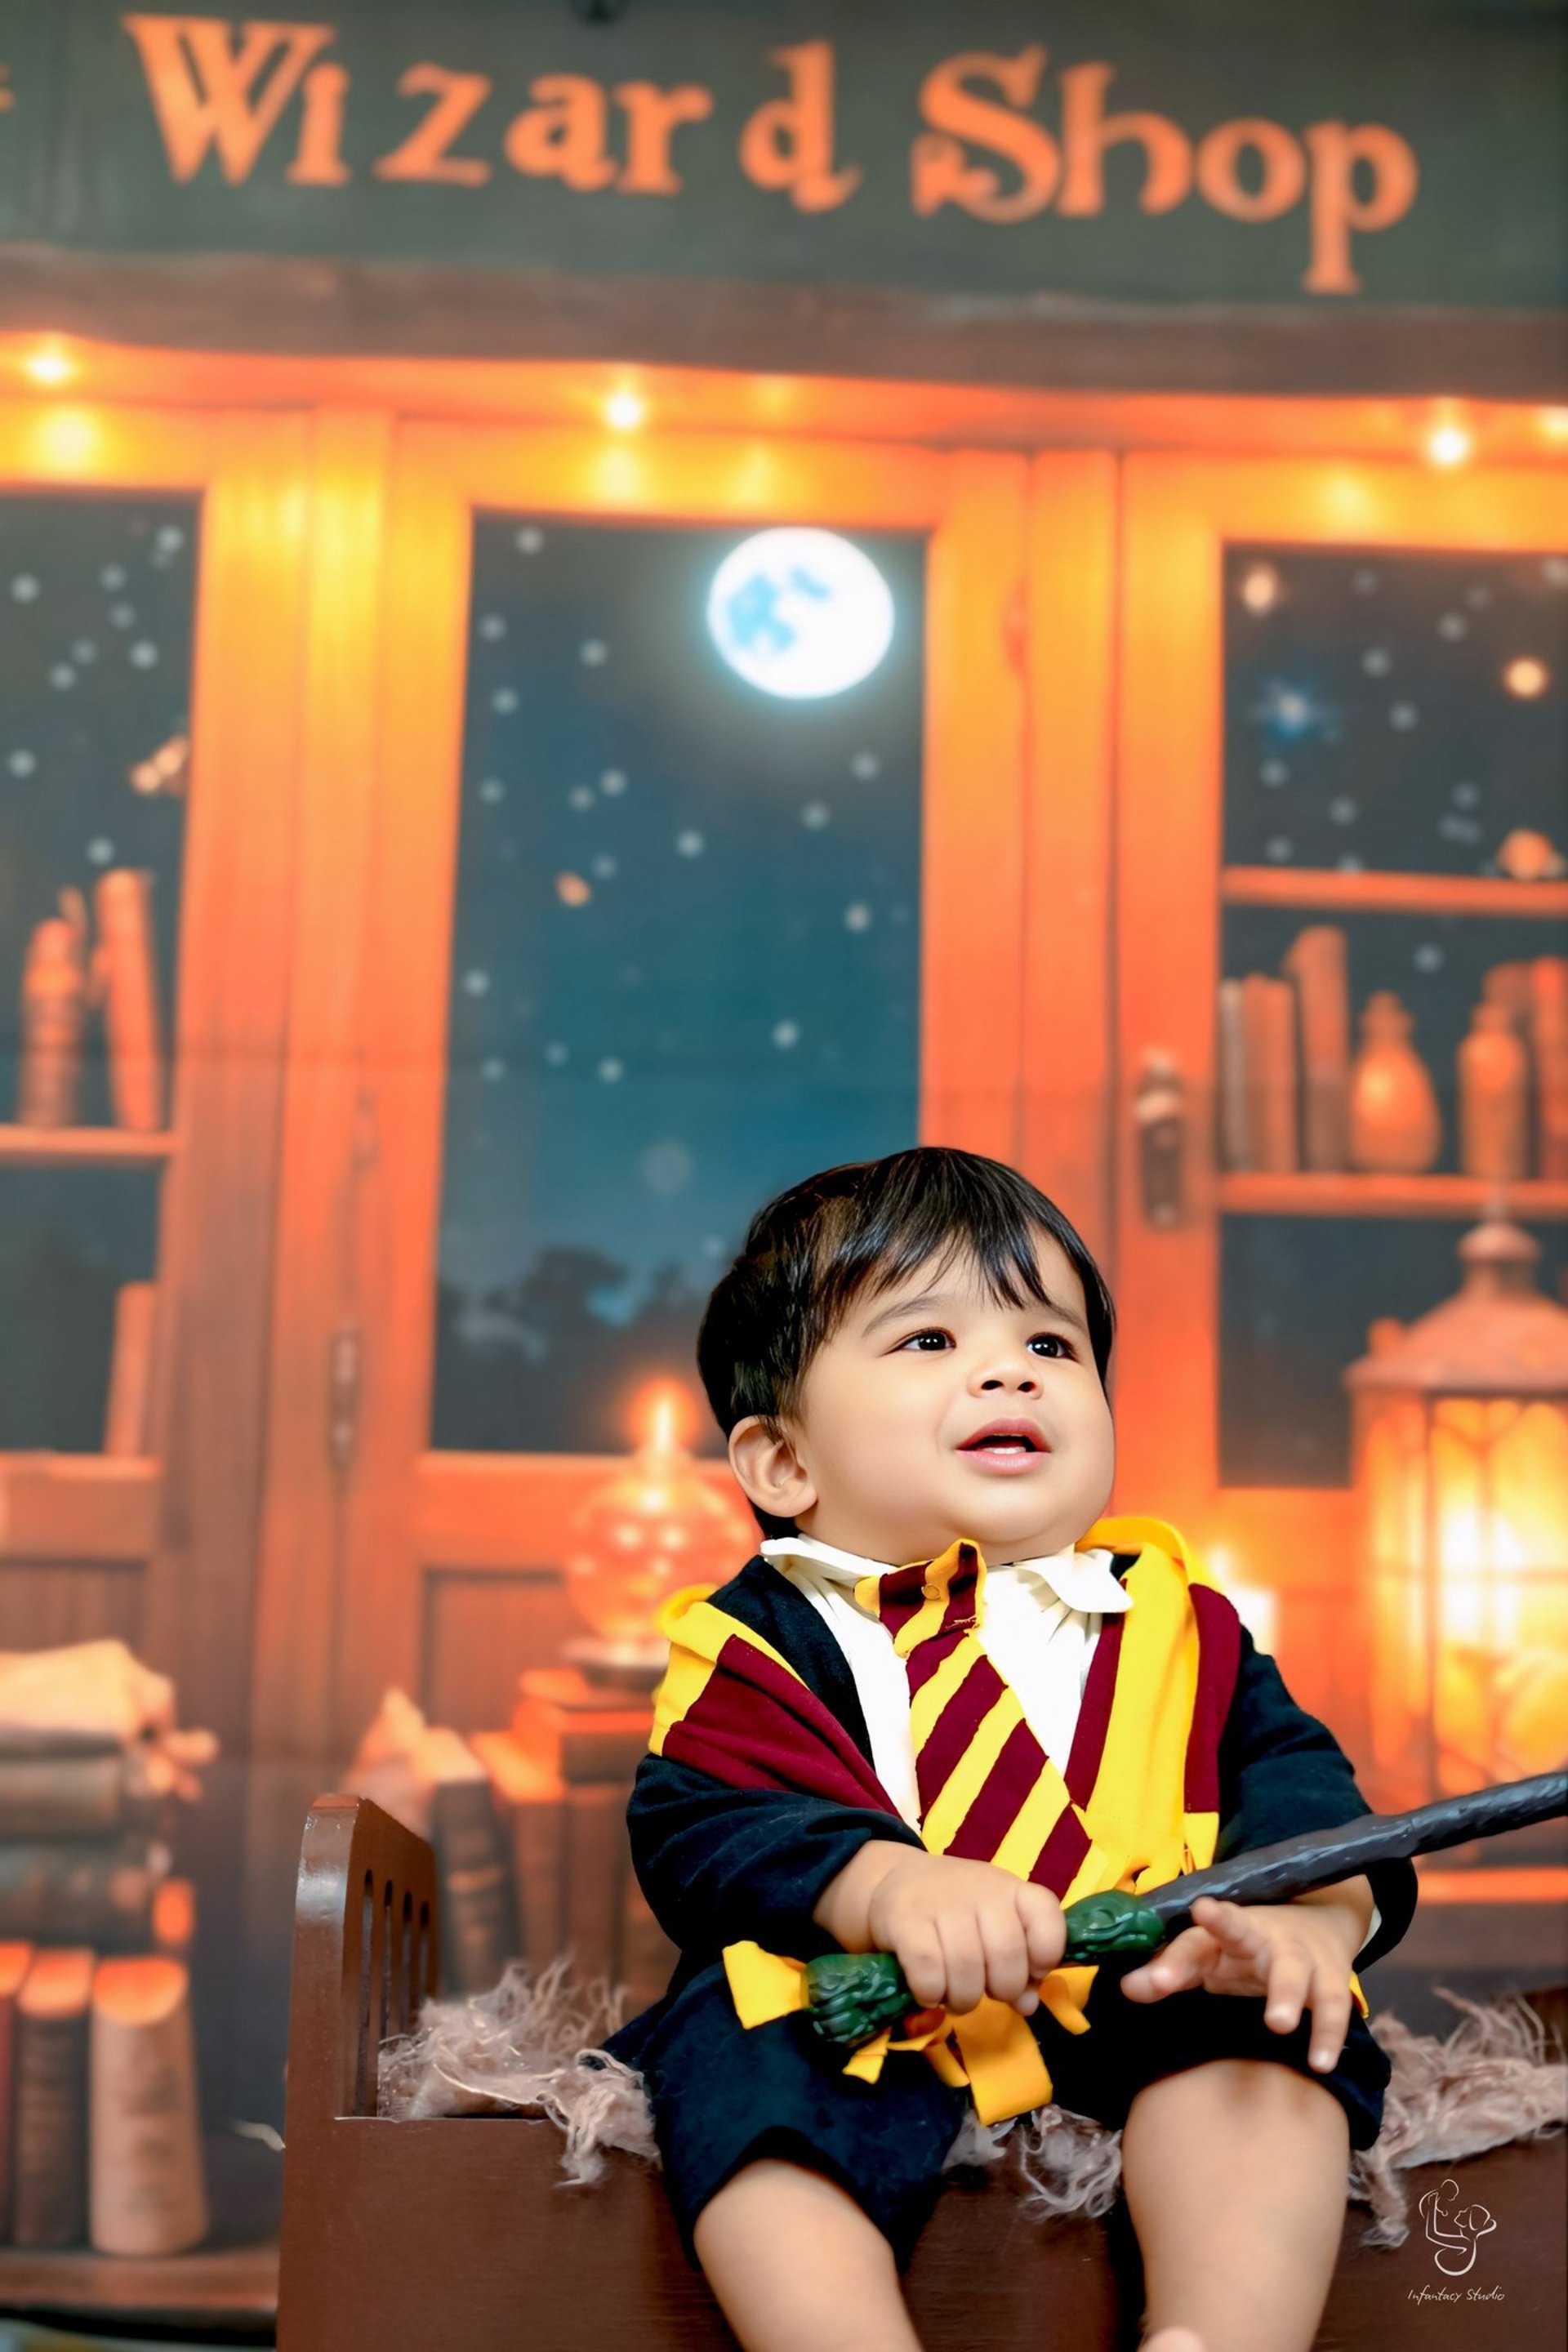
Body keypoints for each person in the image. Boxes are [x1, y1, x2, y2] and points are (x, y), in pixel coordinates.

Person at [599, 1147, 1417, 2352]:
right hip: (883, 2002)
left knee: (1270, 2029)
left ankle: (1218, 2333)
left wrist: (1311, 1922)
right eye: (929, 1340)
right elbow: (707, 1824)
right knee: (738, 2037)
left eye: (1051, 1344)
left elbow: (1304, 1793)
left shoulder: (1180, 1626)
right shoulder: (756, 1645)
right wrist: (888, 1887)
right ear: (785, 1462)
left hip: (1144, 1982)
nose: (1010, 1372)